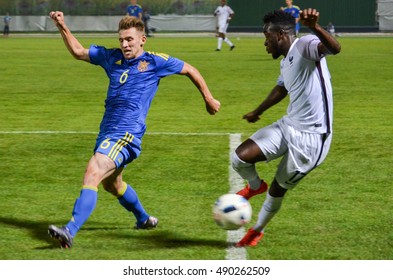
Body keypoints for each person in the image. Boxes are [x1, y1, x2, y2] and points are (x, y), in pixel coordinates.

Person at [47, 11, 221, 248]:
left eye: (129, 39)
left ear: (142, 40)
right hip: (107, 132)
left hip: (127, 135)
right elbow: (78, 52)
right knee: (113, 184)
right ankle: (143, 219)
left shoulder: (154, 62)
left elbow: (190, 69)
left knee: (94, 170)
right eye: (121, 39)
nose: (125, 44)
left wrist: (208, 98)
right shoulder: (111, 57)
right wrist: (62, 26)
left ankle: (70, 229)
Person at [232, 8, 341, 247]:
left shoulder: (306, 45)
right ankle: (253, 186)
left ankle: (256, 230)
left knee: (277, 189)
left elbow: (334, 49)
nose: (264, 43)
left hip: (312, 139)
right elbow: (281, 88)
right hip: (288, 125)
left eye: (266, 36)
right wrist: (258, 111)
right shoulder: (286, 61)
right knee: (240, 157)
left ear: (280, 35)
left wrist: (315, 27)